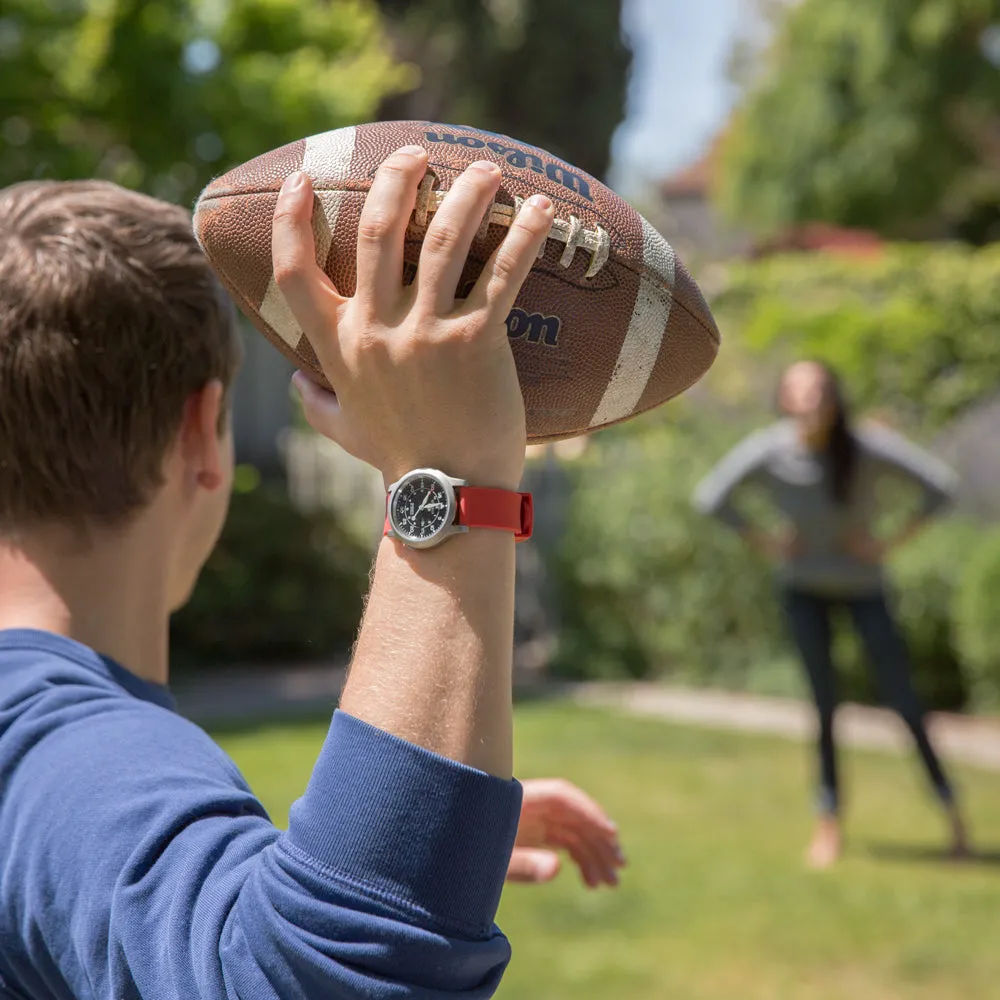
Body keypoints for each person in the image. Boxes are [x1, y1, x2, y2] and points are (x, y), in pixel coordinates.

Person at [0, 152, 622, 1000]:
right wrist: (452, 476)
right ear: (201, 431)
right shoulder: (66, 748)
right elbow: (327, 974)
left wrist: (400, 831)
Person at [694, 359, 968, 869]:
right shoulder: (771, 449)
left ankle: (952, 815)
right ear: (785, 399)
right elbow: (711, 498)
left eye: (818, 390)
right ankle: (829, 826)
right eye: (798, 390)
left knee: (904, 701)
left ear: (834, 397)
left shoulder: (865, 447)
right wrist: (767, 540)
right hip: (804, 592)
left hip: (865, 591)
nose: (809, 400)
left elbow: (941, 487)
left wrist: (886, 542)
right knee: (824, 709)